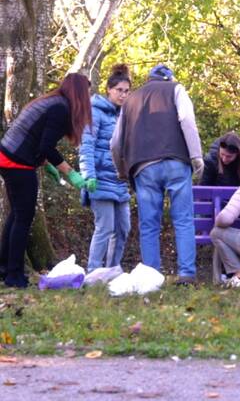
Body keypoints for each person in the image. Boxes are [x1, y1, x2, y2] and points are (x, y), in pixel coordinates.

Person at [111, 64, 204, 285]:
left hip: (143, 166)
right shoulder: (176, 89)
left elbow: (115, 142)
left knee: (149, 224)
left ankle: (151, 276)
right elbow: (188, 121)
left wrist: (121, 170)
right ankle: (187, 274)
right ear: (169, 79)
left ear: (149, 79)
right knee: (182, 220)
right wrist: (196, 156)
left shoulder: (131, 99)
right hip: (176, 161)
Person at [0, 73, 92, 288]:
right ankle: (14, 276)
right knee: (23, 217)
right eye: (87, 92)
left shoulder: (52, 102)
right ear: (78, 92)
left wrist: (45, 163)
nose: (89, 96)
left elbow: (37, 138)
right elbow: (46, 146)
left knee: (17, 215)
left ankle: (5, 268)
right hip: (17, 162)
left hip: (8, 156)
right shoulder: (60, 108)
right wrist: (70, 173)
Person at [79, 64, 132, 273]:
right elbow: (86, 145)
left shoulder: (124, 116)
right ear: (109, 89)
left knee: (123, 229)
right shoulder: (95, 111)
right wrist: (88, 176)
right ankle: (93, 271)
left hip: (119, 182)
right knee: (105, 228)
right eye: (119, 90)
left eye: (127, 91)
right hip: (99, 179)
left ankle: (111, 270)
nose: (123, 95)